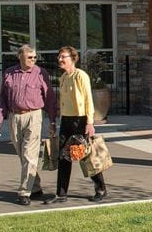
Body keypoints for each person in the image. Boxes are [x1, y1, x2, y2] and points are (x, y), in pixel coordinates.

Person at [0, 44, 57, 206]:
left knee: (29, 154)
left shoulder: (40, 73)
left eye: (35, 57)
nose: (33, 60)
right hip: (14, 117)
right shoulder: (9, 73)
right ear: (20, 56)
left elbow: (49, 98)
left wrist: (52, 120)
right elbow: (2, 98)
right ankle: (35, 187)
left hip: (34, 116)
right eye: (30, 57)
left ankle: (24, 192)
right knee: (23, 154)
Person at [46, 45, 108, 203]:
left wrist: (89, 122)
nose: (60, 59)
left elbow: (88, 99)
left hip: (80, 120)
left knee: (84, 155)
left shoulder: (81, 76)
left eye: (63, 57)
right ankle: (61, 194)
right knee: (63, 156)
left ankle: (100, 188)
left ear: (73, 59)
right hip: (66, 120)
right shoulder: (63, 78)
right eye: (59, 57)